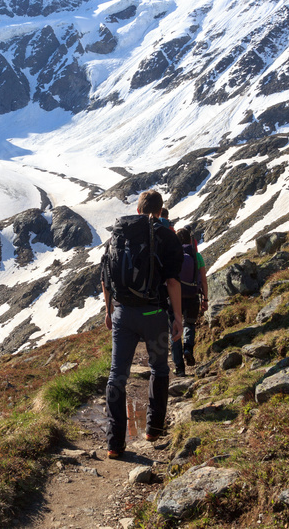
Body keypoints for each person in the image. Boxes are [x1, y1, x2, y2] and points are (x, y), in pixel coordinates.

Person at [101, 189, 184, 458]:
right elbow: (172, 282)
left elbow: (105, 278)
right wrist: (178, 318)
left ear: (138, 210)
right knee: (159, 368)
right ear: (160, 212)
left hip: (123, 315)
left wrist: (108, 311)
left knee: (117, 375)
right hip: (154, 316)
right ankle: (153, 429)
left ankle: (115, 444)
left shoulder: (118, 234)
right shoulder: (166, 236)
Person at [171, 225, 209, 374]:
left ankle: (179, 368)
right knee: (189, 324)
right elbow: (204, 281)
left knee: (174, 329)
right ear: (190, 239)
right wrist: (205, 299)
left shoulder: (173, 255)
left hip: (175, 298)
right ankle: (188, 348)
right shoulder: (196, 256)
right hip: (192, 296)